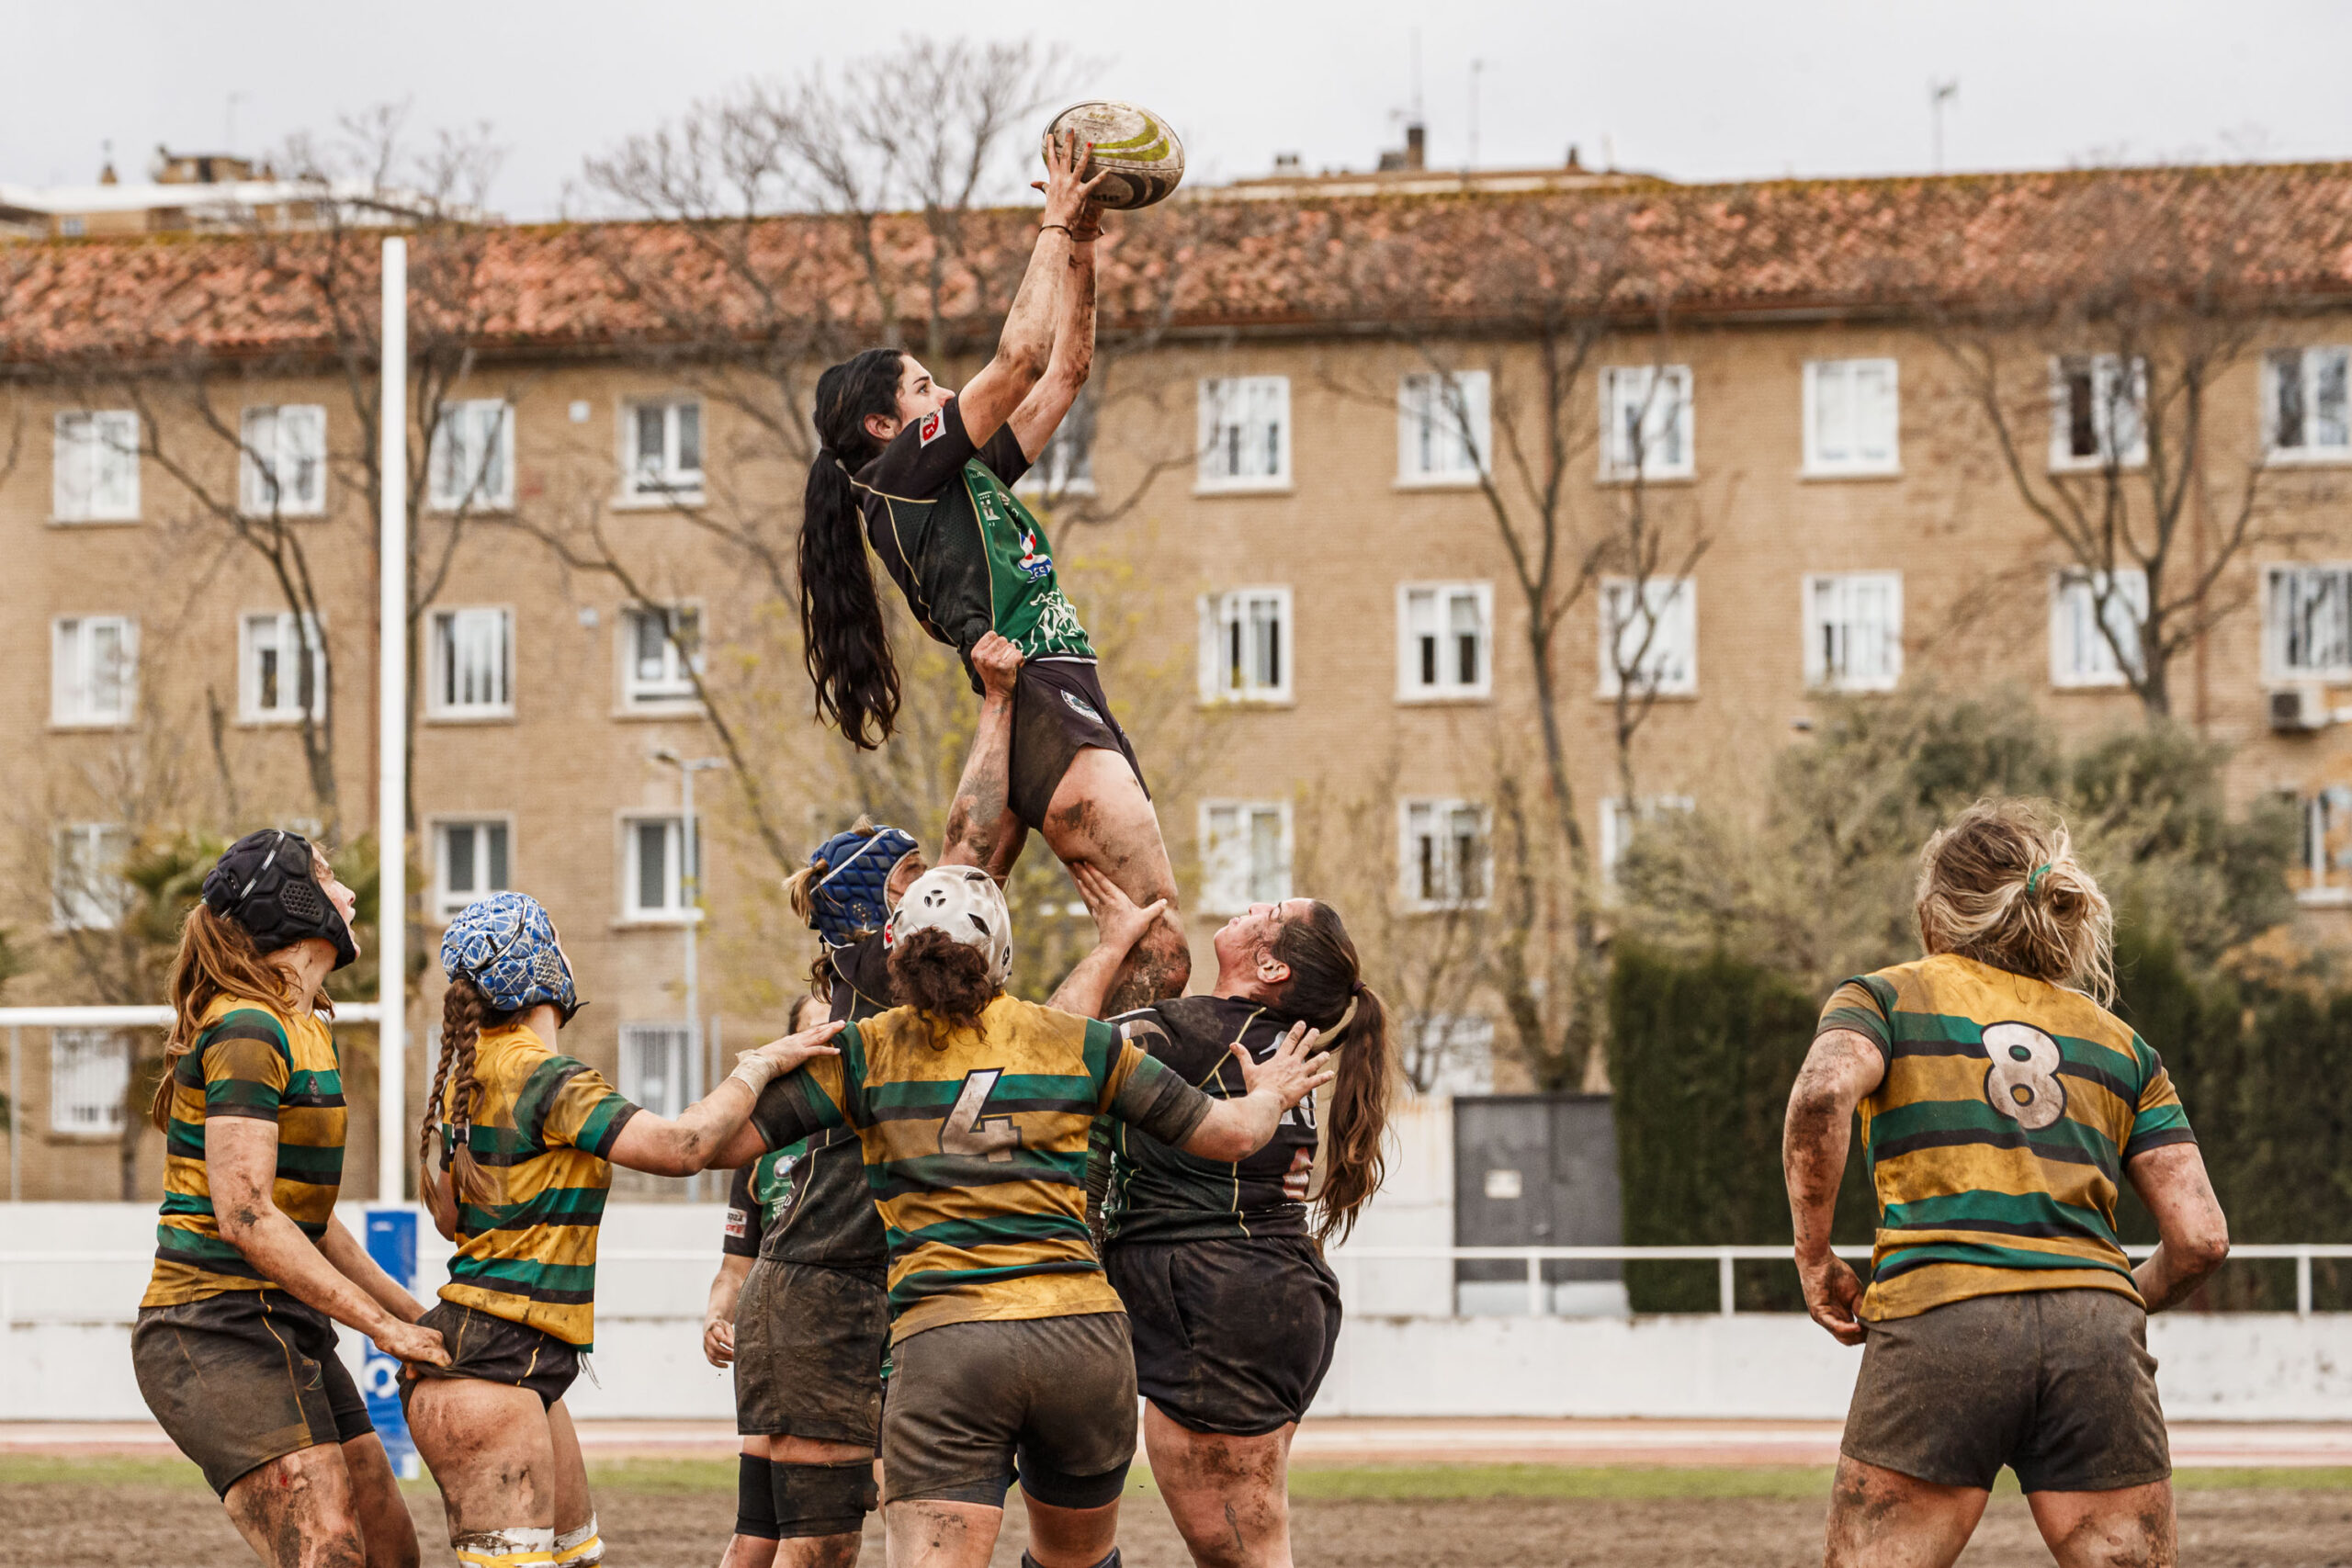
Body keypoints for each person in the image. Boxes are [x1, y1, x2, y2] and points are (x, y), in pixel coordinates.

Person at [711, 865, 1330, 1568]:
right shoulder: (1076, 1044)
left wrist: (758, 1064)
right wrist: (1272, 1095)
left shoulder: (867, 1050)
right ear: (1000, 951)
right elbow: (1226, 1130)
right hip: (1095, 1339)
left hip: (954, 1342)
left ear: (896, 950)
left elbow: (700, 1144)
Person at [797, 130, 1188, 1012]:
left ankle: (995, 1078)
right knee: (1157, 949)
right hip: (1045, 698)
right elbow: (1015, 363)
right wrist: (1051, 222)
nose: (943, 397)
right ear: (884, 427)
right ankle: (1090, 1123)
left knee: (958, 959)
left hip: (1041, 695)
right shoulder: (899, 479)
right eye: (926, 387)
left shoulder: (951, 480)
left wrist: (1083, 248)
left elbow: (1064, 373)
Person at [1783, 800, 2232, 1568]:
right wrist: (2105, 1296)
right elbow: (2201, 1237)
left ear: (1938, 912)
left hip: (1939, 1321)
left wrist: (1816, 1257)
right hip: (2097, 1344)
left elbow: (1822, 1093)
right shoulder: (2125, 1047)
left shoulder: (1884, 999)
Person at [403, 893, 843, 1568]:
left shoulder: (471, 1073)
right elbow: (682, 1147)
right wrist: (757, 1065)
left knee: (580, 1559)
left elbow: (451, 1219)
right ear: (543, 966)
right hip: (495, 1365)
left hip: (506, 1359)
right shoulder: (545, 1075)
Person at [132, 829, 448, 1568]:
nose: (350, 895)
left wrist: (412, 1314)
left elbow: (305, 1216)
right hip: (210, 1326)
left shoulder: (305, 1028)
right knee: (328, 1543)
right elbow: (246, 1214)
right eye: (330, 878)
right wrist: (380, 1326)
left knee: (390, 1548)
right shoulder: (246, 1026)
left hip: (283, 1320)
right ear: (293, 903)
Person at [1091, 898, 1396, 1568]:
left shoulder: (1199, 1029)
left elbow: (1053, 1050)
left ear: (1270, 963)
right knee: (1249, 1549)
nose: (1254, 902)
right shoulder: (1266, 1037)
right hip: (1267, 1291)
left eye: (1272, 909)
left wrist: (1111, 946)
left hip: (1220, 1301)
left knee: (1248, 1556)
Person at [704, 994, 875, 1568]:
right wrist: (716, 1316)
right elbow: (734, 1268)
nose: (830, 1038)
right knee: (768, 1534)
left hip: (877, 1333)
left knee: (903, 1512)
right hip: (797, 1336)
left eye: (839, 1028)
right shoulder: (761, 1150)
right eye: (816, 1031)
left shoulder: (876, 1123)